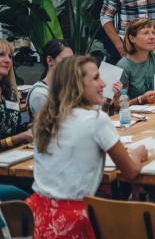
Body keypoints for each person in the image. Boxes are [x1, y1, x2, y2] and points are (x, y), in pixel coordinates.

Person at [26, 56, 147, 239]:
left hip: (36, 215)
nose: (103, 83)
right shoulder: (95, 120)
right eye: (96, 78)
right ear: (77, 85)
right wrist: (137, 155)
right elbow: (130, 172)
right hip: (72, 221)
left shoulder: (47, 117)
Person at [26, 39, 74, 118]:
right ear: (50, 60)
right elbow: (55, 127)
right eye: (65, 60)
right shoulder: (40, 95)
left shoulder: (68, 87)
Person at [0, 39, 31, 149]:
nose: (8, 60)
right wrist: (15, 140)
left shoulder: (9, 91)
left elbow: (13, 128)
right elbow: (13, 137)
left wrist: (29, 127)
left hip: (13, 154)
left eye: (10, 56)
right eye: (1, 55)